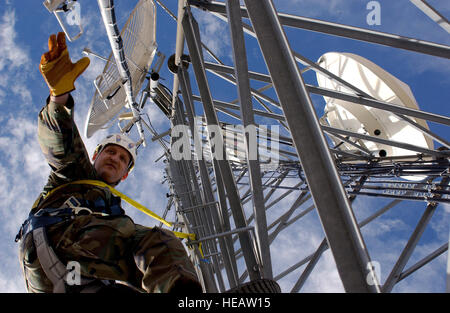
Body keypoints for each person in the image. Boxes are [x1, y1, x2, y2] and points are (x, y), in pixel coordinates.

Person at [16, 32, 202, 293]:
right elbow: (61, 144)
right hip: (57, 240)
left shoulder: (112, 214)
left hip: (72, 278)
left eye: (123, 159)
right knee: (156, 240)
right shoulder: (75, 174)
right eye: (110, 152)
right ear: (96, 155)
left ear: (125, 174)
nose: (115, 158)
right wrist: (59, 98)